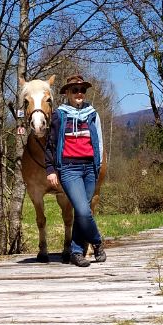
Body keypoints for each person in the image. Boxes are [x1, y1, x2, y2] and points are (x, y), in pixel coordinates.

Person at [45, 74, 106, 267]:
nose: (79, 93)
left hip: (90, 167)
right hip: (69, 168)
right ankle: (97, 242)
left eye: (82, 90)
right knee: (82, 209)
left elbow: (100, 141)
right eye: (75, 90)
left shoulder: (92, 113)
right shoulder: (59, 115)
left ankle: (77, 251)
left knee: (83, 212)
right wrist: (50, 169)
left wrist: (99, 164)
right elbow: (50, 144)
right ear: (67, 94)